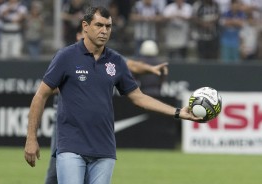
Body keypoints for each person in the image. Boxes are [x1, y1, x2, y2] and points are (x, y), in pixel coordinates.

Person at [24, 6, 201, 184]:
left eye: (108, 26)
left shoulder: (116, 61)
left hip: (104, 149)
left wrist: (178, 112)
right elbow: (40, 95)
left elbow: (139, 98)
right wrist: (31, 139)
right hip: (71, 146)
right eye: (99, 25)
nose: (104, 31)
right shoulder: (66, 56)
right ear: (85, 26)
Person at [44, 19, 169, 184]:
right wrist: (72, 84)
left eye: (106, 27)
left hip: (96, 133)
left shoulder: (106, 56)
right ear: (81, 32)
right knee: (54, 173)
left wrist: (150, 69)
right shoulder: (66, 56)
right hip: (67, 124)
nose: (100, 33)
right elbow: (46, 88)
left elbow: (130, 65)